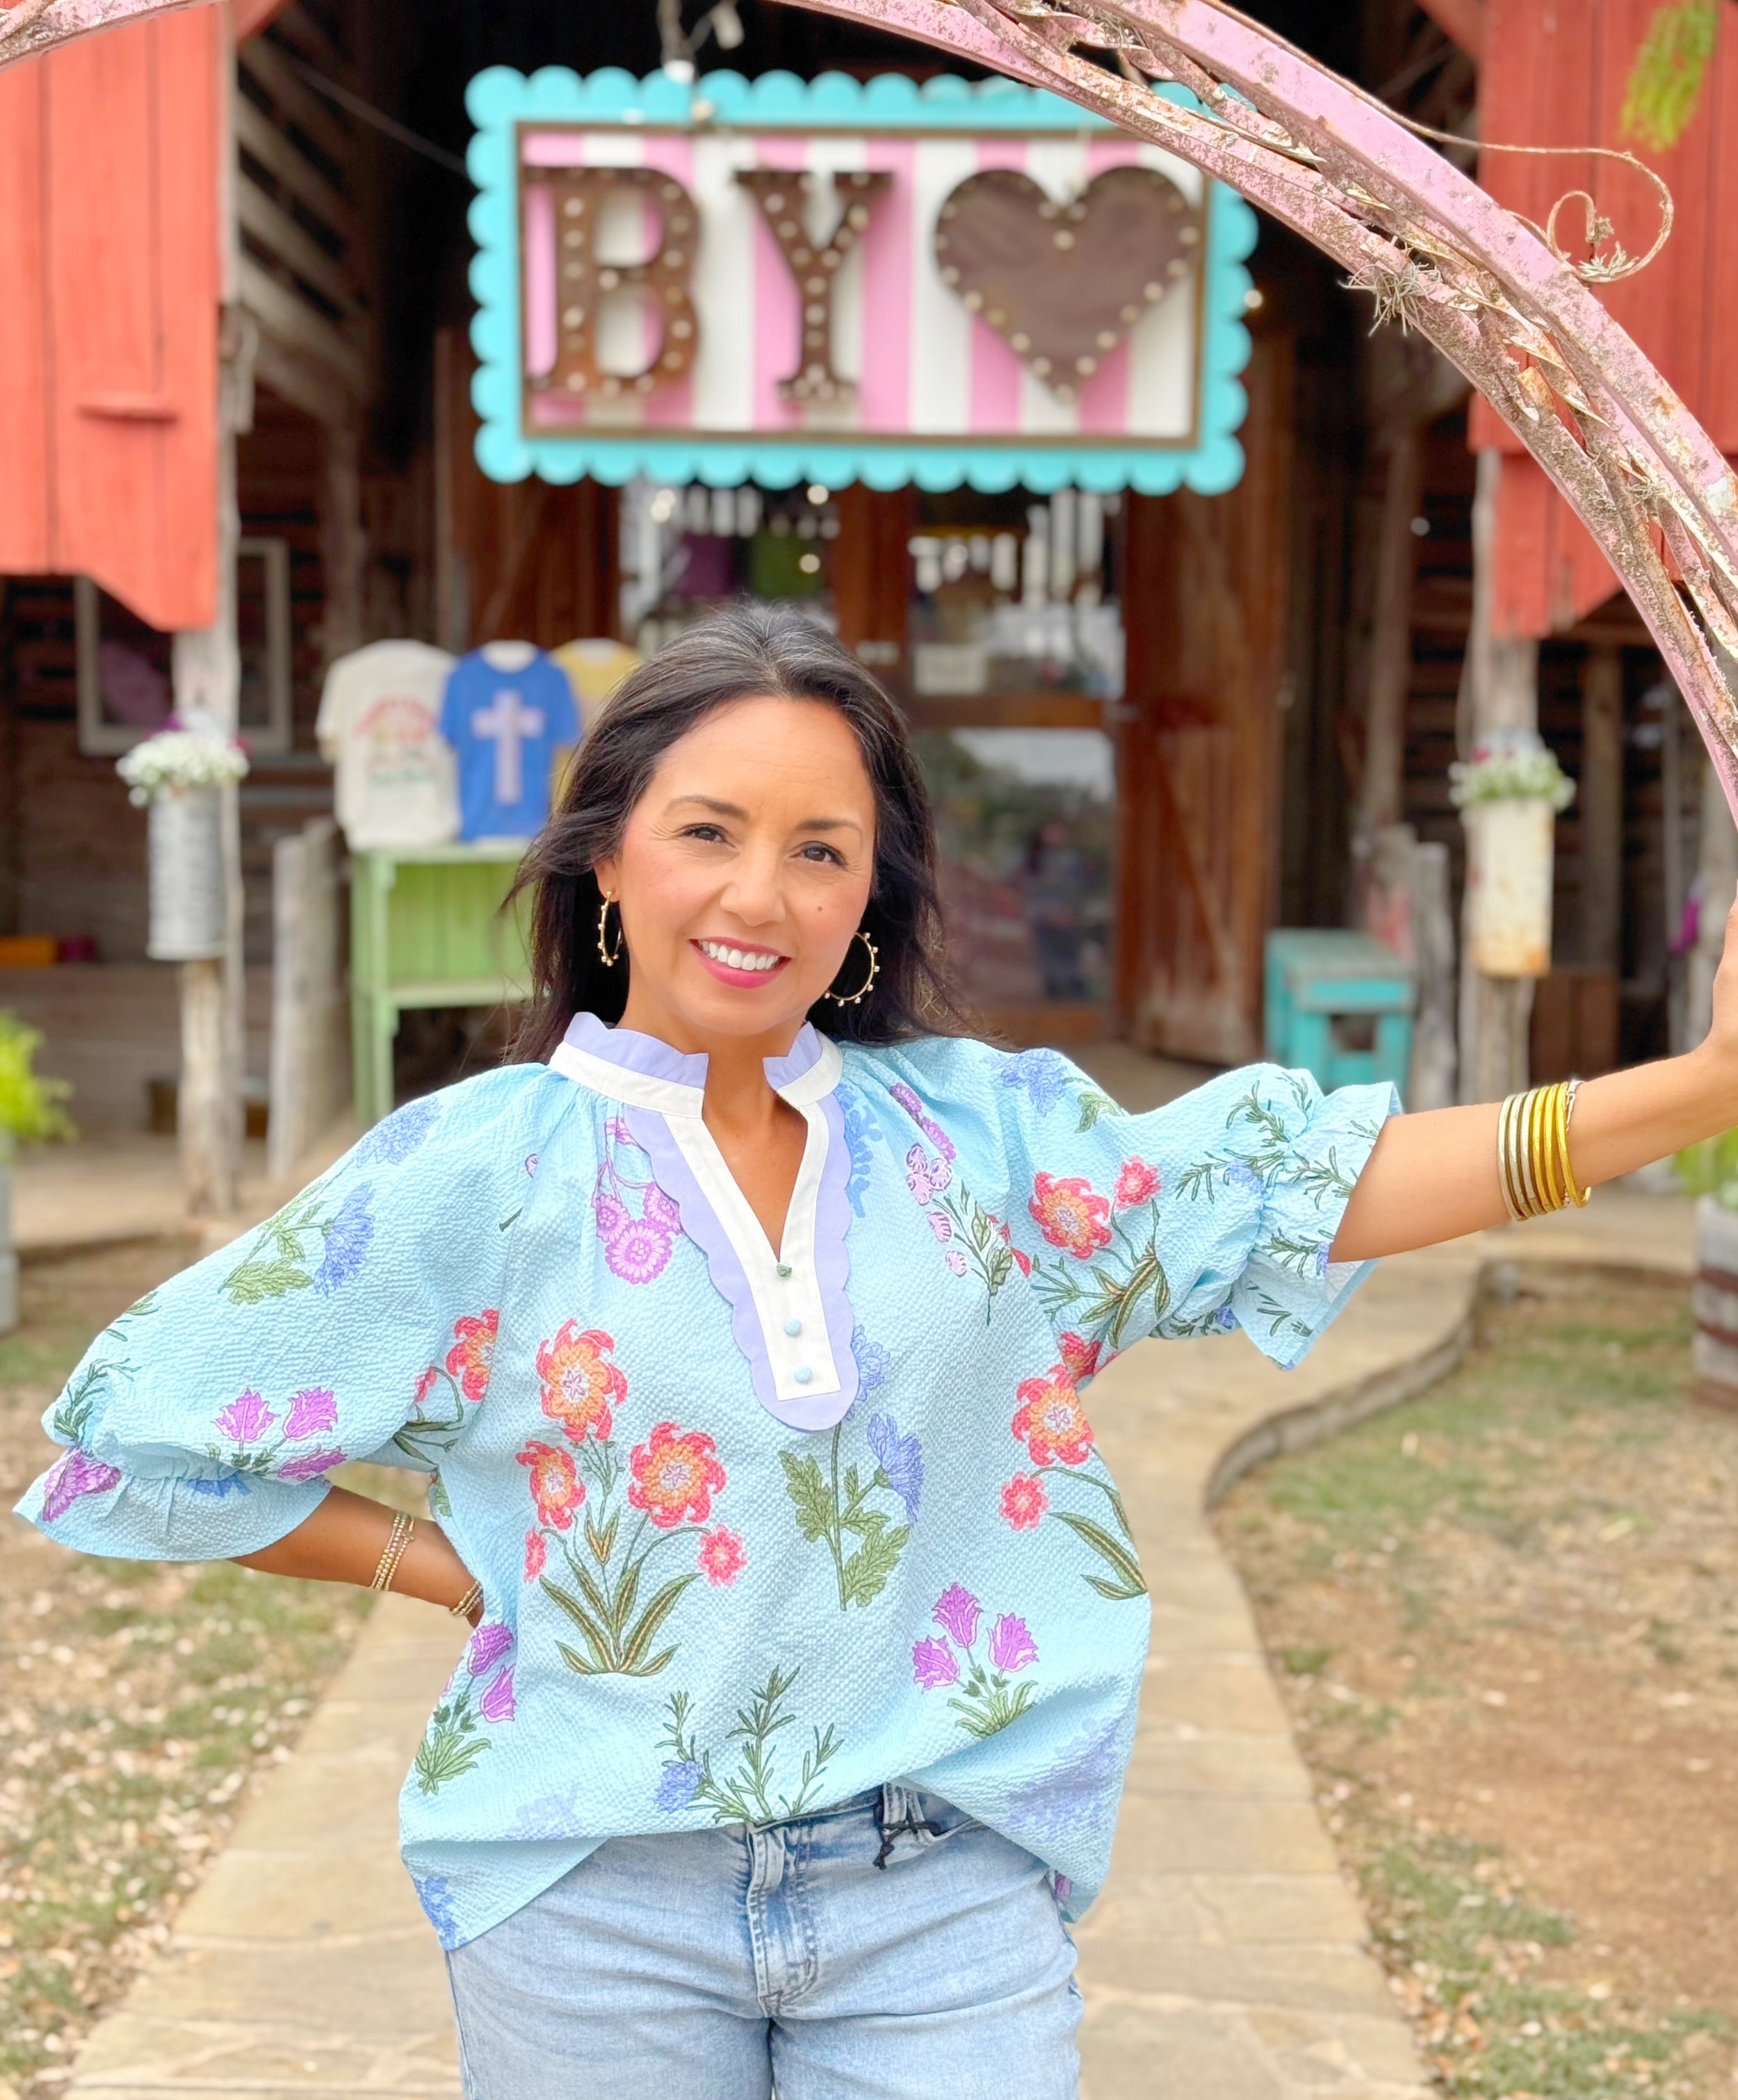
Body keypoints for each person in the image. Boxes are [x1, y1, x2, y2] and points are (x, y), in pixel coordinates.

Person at [19, 603, 1738, 2099]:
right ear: (607, 855)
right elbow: (136, 1439)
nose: (757, 895)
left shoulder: (983, 1140)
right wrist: (441, 1560)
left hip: (939, 1893)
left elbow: (1303, 1186)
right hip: (587, 1899)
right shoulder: (474, 1167)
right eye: (706, 831)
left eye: (819, 847)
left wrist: (1703, 1080)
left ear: (871, 888)